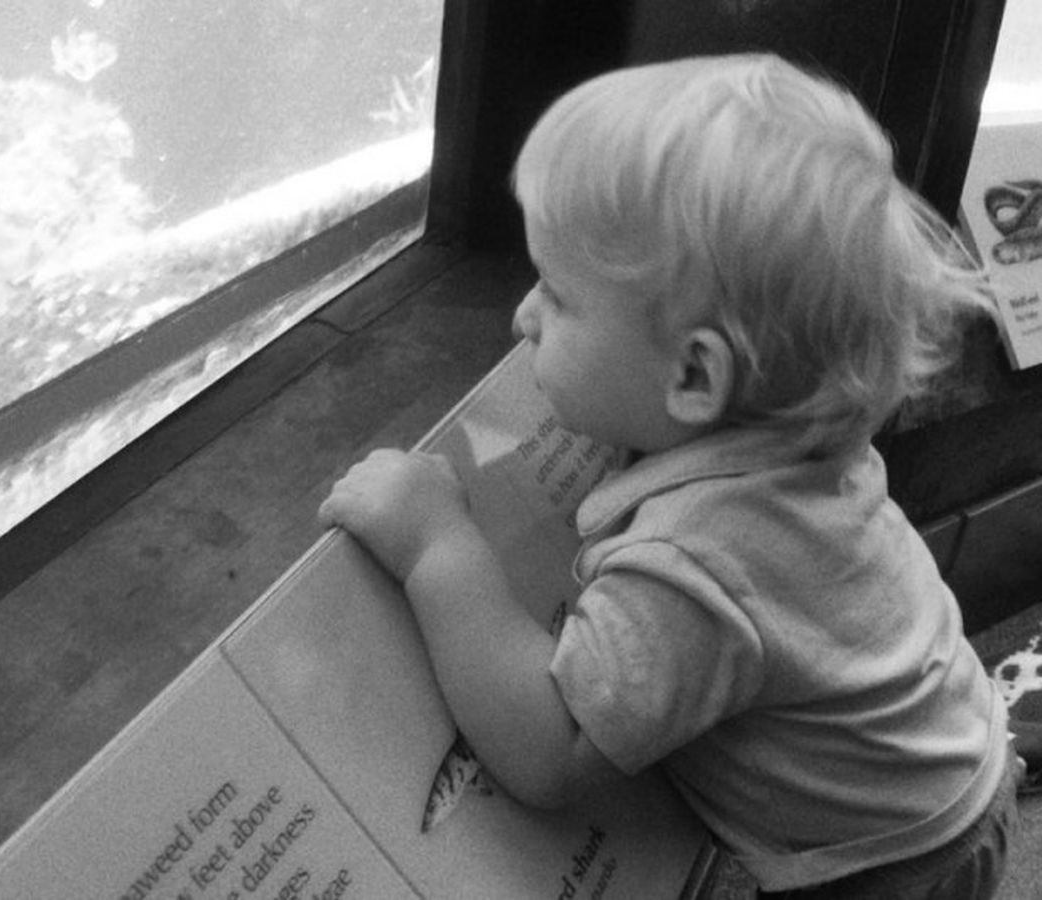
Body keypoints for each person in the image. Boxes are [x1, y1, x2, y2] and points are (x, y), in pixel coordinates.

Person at [318, 53, 1020, 898]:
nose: (521, 316)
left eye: (558, 295)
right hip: (953, 754)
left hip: (891, 863)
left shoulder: (697, 563)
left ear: (693, 378)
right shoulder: (794, 437)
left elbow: (549, 750)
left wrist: (437, 545)